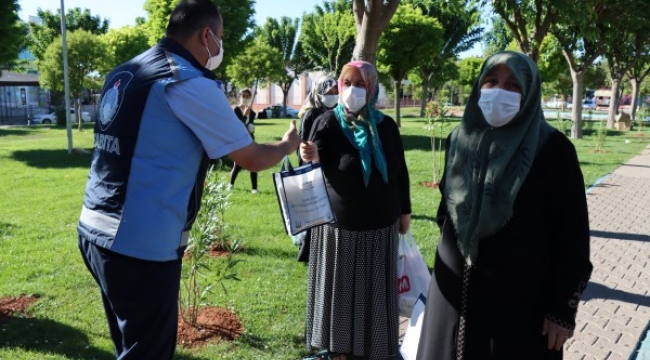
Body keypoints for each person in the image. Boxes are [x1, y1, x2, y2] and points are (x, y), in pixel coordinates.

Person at [76, 1, 301, 359]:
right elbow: (252, 158)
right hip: (140, 244)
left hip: (94, 229)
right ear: (206, 35)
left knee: (129, 344)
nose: (221, 47)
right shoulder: (186, 82)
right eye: (222, 37)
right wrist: (288, 144)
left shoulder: (125, 73)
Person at [416, 51, 593, 360]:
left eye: (513, 85)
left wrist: (561, 311)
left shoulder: (554, 150)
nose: (499, 91)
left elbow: (573, 239)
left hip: (519, 309)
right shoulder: (458, 140)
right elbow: (446, 212)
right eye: (491, 81)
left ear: (529, 92)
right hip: (452, 299)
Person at [299, 60, 411, 360]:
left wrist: (405, 211)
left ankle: (372, 347)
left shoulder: (387, 127)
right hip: (340, 231)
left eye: (360, 84)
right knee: (341, 297)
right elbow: (310, 164)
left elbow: (400, 172)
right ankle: (340, 350)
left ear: (372, 88)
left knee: (373, 296)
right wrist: (310, 155)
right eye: (347, 83)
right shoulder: (327, 123)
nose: (352, 90)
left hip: (381, 229)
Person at [295, 74, 338, 263]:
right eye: (329, 92)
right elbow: (303, 144)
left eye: (335, 91)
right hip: (314, 169)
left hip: (332, 168)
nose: (333, 95)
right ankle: (308, 252)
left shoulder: (339, 111)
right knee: (315, 215)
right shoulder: (311, 114)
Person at [229, 88, 259, 193]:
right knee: (238, 165)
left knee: (254, 163)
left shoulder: (253, 112)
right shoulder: (235, 110)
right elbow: (238, 126)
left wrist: (250, 122)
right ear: (239, 97)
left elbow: (250, 127)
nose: (245, 98)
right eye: (243, 96)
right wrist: (245, 115)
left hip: (250, 140)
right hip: (239, 141)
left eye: (247, 96)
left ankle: (254, 189)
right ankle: (231, 185)